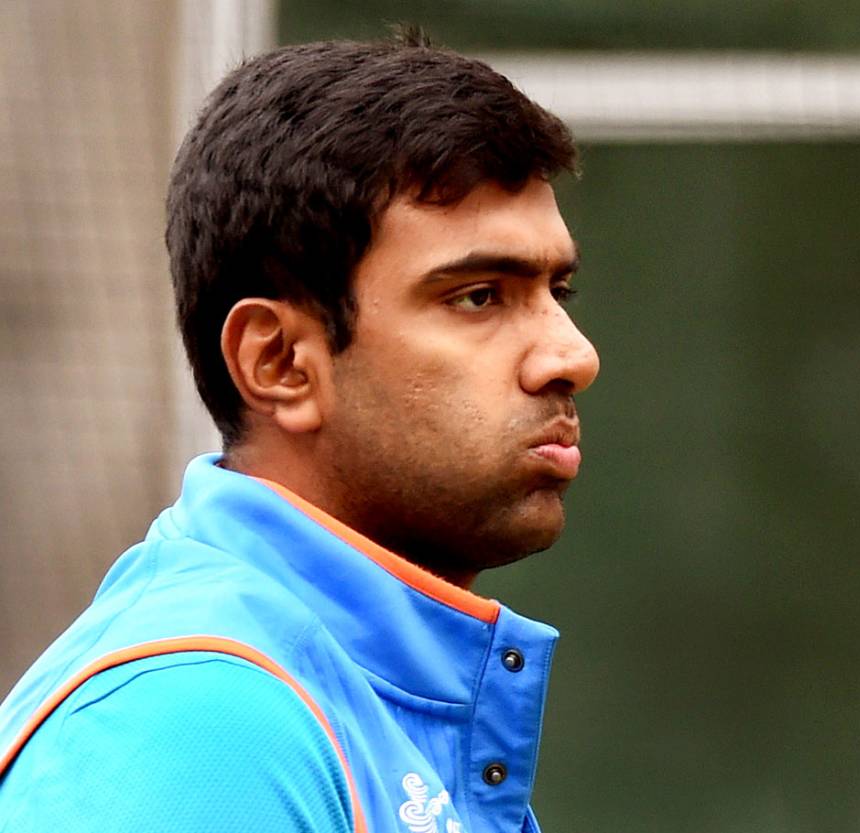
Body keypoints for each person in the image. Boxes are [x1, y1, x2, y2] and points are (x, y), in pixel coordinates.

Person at [0, 29, 599, 833]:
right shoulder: (198, 718)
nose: (570, 354)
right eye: (479, 296)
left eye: (557, 288)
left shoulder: (337, 698)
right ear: (279, 361)